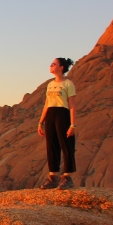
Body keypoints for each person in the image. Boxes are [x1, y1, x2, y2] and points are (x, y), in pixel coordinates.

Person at [37, 57, 77, 189]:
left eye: (53, 64)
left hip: (63, 114)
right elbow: (47, 104)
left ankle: (67, 178)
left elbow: (72, 105)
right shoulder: (50, 84)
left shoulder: (68, 84)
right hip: (50, 115)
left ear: (61, 68)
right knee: (52, 146)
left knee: (66, 145)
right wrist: (40, 122)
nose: (51, 65)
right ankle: (53, 177)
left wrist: (72, 125)